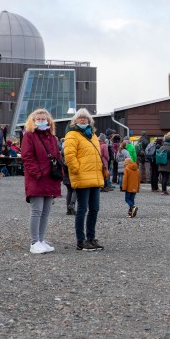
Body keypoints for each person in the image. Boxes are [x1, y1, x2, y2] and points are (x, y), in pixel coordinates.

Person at [63, 108, 105, 251]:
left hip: (94, 176)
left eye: (85, 118)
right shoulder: (72, 135)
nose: (83, 120)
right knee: (82, 209)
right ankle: (81, 240)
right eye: (80, 118)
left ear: (89, 121)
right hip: (82, 176)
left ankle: (91, 238)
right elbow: (69, 155)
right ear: (75, 120)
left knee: (94, 209)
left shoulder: (92, 135)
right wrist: (76, 170)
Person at [22, 108, 61, 254]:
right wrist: (37, 173)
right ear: (32, 121)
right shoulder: (29, 136)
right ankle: (34, 242)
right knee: (37, 210)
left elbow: (57, 156)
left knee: (46, 211)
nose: (41, 121)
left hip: (50, 178)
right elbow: (27, 157)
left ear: (49, 121)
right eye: (38, 119)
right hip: (37, 178)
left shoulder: (51, 137)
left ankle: (41, 239)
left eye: (43, 118)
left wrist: (58, 172)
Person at [121, 141, 140, 217]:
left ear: (126, 164)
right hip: (134, 188)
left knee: (127, 199)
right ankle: (130, 213)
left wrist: (123, 188)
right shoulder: (137, 169)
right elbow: (138, 180)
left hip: (128, 188)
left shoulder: (127, 169)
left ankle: (132, 207)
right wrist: (138, 188)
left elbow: (125, 180)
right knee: (132, 199)